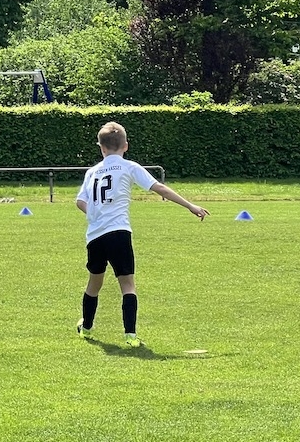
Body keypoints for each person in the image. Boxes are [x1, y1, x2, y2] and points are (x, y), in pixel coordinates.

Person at [76, 121, 209, 347]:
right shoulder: (129, 167)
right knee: (127, 284)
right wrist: (190, 205)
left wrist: (96, 214)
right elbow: (159, 188)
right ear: (125, 146)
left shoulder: (92, 172)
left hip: (95, 236)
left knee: (94, 283)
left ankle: (86, 328)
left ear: (101, 147)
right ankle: (131, 336)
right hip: (118, 232)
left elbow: (80, 202)